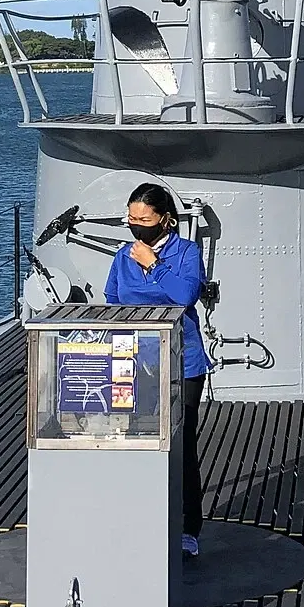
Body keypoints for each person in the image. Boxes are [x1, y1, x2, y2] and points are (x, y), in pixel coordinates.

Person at [104, 181, 210, 556]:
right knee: (131, 437)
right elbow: (113, 297)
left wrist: (154, 264)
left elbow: (185, 294)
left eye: (143, 219)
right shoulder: (121, 256)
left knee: (182, 444)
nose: (135, 225)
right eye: (130, 218)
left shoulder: (186, 253)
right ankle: (138, 516)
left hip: (183, 359)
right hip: (133, 357)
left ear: (165, 220)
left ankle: (188, 528)